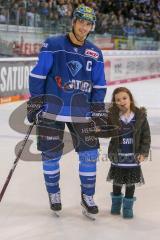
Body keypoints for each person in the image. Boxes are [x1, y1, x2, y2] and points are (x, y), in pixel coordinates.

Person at [27, 4, 107, 216]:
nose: (84, 27)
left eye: (88, 24)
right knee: (50, 155)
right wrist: (35, 102)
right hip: (52, 110)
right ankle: (54, 194)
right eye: (81, 21)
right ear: (73, 21)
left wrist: (98, 112)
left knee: (90, 155)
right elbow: (38, 75)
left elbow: (99, 85)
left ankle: (87, 196)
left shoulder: (95, 53)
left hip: (83, 113)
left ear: (92, 27)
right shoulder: (53, 44)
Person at [97, 87, 151, 218]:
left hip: (133, 157)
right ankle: (115, 205)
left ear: (130, 99)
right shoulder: (114, 117)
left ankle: (127, 208)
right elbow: (109, 131)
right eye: (118, 100)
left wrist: (143, 152)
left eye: (124, 98)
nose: (121, 101)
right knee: (117, 182)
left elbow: (146, 136)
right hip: (118, 156)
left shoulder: (140, 116)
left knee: (130, 183)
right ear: (115, 102)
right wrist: (98, 131)